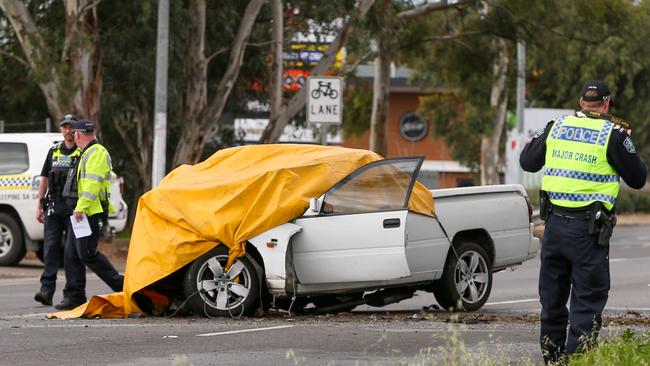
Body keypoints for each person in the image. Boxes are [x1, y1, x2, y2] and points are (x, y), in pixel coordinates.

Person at [520, 80, 647, 364]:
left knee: (552, 302)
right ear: (606, 105)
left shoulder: (557, 126)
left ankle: (553, 361)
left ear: (580, 103)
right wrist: (627, 144)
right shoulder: (612, 134)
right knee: (586, 306)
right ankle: (578, 362)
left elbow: (528, 162)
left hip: (553, 229)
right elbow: (638, 179)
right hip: (588, 233)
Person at [54, 119, 124, 311]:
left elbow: (92, 184)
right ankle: (74, 296)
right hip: (80, 212)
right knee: (71, 254)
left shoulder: (97, 153)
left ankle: (122, 285)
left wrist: (81, 207)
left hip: (89, 212)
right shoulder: (86, 153)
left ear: (77, 134)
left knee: (87, 254)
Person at [33, 114, 82, 306]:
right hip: (54, 206)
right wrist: (39, 205)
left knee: (72, 252)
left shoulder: (81, 152)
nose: (68, 131)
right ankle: (46, 290)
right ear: (60, 129)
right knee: (51, 248)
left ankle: (72, 293)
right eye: (65, 127)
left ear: (76, 129)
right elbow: (44, 178)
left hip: (74, 209)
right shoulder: (53, 151)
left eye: (71, 127)